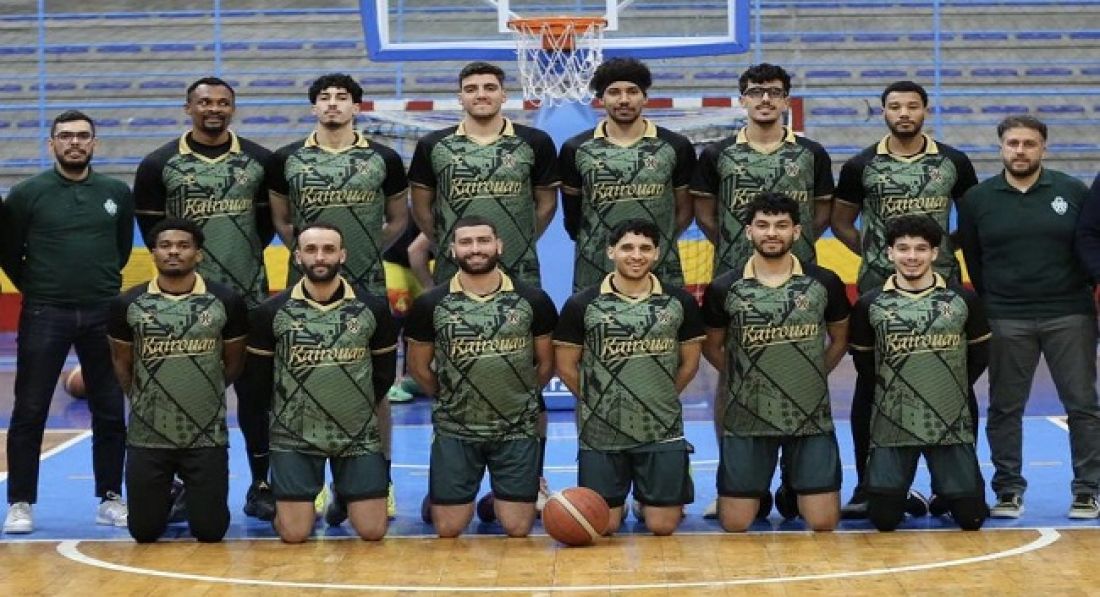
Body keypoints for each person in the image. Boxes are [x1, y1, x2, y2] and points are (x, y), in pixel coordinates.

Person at [691, 62, 834, 520]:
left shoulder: (811, 153)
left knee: (799, 374)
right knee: (731, 381)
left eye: (774, 91)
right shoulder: (717, 154)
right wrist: (736, 249)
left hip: (797, 279)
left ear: (786, 99)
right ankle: (736, 483)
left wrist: (796, 250)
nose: (765, 99)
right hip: (738, 278)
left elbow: (823, 211)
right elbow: (705, 213)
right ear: (743, 100)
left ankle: (798, 481)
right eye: (756, 92)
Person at [829, 80, 979, 516]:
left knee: (953, 381)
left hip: (942, 289)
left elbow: (971, 218)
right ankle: (868, 486)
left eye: (912, 106)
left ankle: (955, 486)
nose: (904, 113)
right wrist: (877, 254)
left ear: (925, 110)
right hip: (879, 288)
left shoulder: (953, 161)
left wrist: (942, 251)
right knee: (871, 384)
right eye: (895, 106)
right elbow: (841, 221)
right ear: (884, 113)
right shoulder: (861, 164)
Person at [133, 76, 278, 521]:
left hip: (249, 300)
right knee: (180, 393)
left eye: (222, 102)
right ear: (188, 108)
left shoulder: (259, 160)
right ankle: (178, 485)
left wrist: (236, 267)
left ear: (232, 108)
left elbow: (265, 226)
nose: (213, 109)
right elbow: (156, 233)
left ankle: (261, 483)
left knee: (256, 398)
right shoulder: (159, 163)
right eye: (204, 102)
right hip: (180, 304)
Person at [268, 73, 408, 520]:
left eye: (342, 97)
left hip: (367, 285)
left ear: (356, 107)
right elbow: (282, 221)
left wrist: (364, 252)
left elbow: (398, 218)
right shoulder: (286, 159)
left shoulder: (384, 157)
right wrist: (313, 257)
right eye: (324, 98)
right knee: (301, 381)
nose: (332, 104)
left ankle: (379, 480)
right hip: (304, 288)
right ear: (314, 108)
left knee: (375, 387)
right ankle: (310, 484)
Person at [960, 115, 1100, 519]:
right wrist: (996, 301)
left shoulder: (1072, 191)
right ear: (1000, 147)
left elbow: (1087, 243)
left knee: (1083, 405)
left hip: (1069, 313)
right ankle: (1008, 490)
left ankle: (1088, 490)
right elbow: (974, 257)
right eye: (1013, 143)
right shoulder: (978, 199)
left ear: (1043, 148)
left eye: (1029, 143)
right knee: (1005, 407)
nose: (1020, 151)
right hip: (1006, 317)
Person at [0, 110, 133, 534]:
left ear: (94, 143)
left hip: (103, 311)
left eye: (82, 136)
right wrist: (41, 287)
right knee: (30, 409)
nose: (74, 142)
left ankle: (110, 497)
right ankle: (21, 502)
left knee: (110, 409)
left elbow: (120, 249)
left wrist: (98, 284)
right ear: (52, 143)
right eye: (65, 136)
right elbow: (9, 253)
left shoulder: (115, 192)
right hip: (45, 312)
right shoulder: (26, 194)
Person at [701, 192, 849, 532]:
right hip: (747, 417)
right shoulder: (724, 287)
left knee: (823, 523)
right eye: (763, 225)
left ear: (796, 232)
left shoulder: (824, 282)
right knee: (736, 524)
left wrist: (812, 373)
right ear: (748, 231)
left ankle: (791, 487)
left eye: (781, 226)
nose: (772, 233)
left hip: (809, 416)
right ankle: (764, 489)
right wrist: (747, 376)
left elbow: (840, 338)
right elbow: (712, 346)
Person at [404, 216, 557, 538]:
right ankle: (446, 496)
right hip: (456, 428)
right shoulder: (430, 304)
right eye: (466, 242)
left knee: (517, 527)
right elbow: (418, 367)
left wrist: (519, 396)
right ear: (452, 250)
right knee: (448, 528)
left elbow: (546, 364)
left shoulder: (533, 300)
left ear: (499, 246)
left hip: (515, 428)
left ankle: (492, 502)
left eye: (483, 241)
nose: (475, 249)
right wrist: (448, 396)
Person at [246, 223, 398, 542]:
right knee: (295, 534)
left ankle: (344, 492)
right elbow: (259, 382)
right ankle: (293, 500)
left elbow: (383, 375)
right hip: (294, 437)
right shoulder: (269, 313)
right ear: (297, 256)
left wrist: (352, 408)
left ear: (342, 255)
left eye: (329, 249)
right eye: (311, 250)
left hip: (356, 435)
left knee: (372, 531)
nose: (319, 257)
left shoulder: (373, 309)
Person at [554, 219, 703, 536]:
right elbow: (566, 366)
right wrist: (597, 402)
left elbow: (689, 364)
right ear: (611, 252)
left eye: (645, 248)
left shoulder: (680, 302)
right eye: (627, 248)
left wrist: (660, 396)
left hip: (661, 428)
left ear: (657, 253)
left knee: (662, 526)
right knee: (604, 526)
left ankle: (645, 501)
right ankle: (619, 505)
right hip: (602, 432)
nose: (636, 255)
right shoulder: (582, 304)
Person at [107, 218, 248, 543]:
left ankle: (187, 494)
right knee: (144, 532)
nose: (174, 252)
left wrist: (202, 393)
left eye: (183, 246)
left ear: (198, 254)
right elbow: (122, 364)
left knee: (210, 532)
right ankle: (171, 492)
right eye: (165, 246)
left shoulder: (226, 301)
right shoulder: (127, 304)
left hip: (206, 435)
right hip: (148, 435)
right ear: (153, 253)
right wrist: (146, 400)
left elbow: (234, 363)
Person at [851, 215, 990, 531]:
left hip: (949, 420)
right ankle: (905, 494)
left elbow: (980, 356)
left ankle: (948, 493)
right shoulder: (870, 304)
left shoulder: (963, 300)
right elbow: (865, 364)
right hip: (893, 421)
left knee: (972, 519)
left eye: (920, 249)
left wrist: (942, 389)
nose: (911, 256)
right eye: (903, 248)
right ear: (890, 253)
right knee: (883, 521)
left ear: (934, 253)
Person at [409, 61, 558, 287]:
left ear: (504, 95)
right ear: (460, 98)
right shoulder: (432, 144)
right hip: (455, 267)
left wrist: (520, 240)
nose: (481, 95)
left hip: (519, 267)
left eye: (490, 88)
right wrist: (447, 241)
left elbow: (547, 204)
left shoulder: (535, 141)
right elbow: (421, 209)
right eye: (471, 89)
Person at [560, 57, 697, 292]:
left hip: (660, 265)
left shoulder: (676, 145)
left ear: (645, 97)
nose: (624, 100)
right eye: (614, 92)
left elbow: (684, 210)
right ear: (601, 99)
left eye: (632, 91)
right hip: (594, 267)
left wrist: (657, 240)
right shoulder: (576, 148)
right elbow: (573, 218)